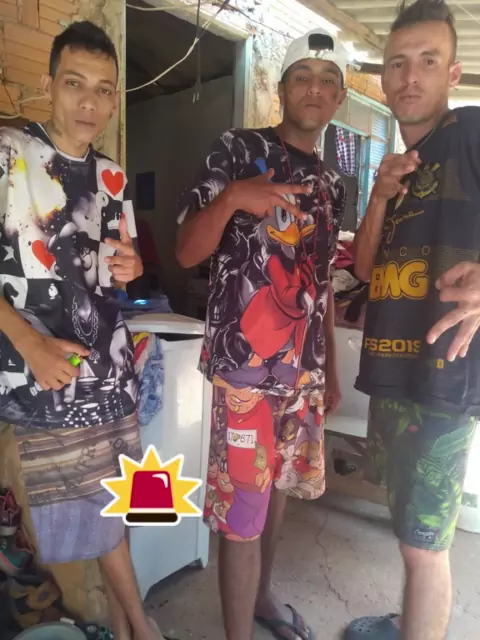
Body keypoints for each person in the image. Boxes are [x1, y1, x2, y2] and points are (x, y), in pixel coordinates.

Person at [176, 28, 348, 640]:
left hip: (304, 371)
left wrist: (328, 368)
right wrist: (231, 199)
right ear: (281, 88)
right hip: (246, 370)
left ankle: (264, 597)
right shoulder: (236, 148)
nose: (314, 89)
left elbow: (322, 282)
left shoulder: (333, 184)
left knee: (278, 491)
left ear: (339, 98)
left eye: (327, 81)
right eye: (302, 77)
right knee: (243, 510)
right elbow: (186, 249)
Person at [0, 21, 169, 640]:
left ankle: (129, 627)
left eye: (103, 89)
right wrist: (28, 343)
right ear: (49, 85)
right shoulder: (9, 155)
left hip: (110, 373)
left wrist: (132, 267)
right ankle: (137, 626)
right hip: (44, 379)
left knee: (123, 503)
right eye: (75, 84)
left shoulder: (112, 175)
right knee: (80, 521)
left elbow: (119, 268)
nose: (89, 103)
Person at [344, 1, 480, 639]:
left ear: (452, 73)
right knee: (408, 531)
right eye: (398, 63)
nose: (410, 76)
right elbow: (364, 268)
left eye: (428, 60)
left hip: (442, 380)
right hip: (395, 374)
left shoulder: (471, 133)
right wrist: (378, 196)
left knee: (426, 546)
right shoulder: (401, 165)